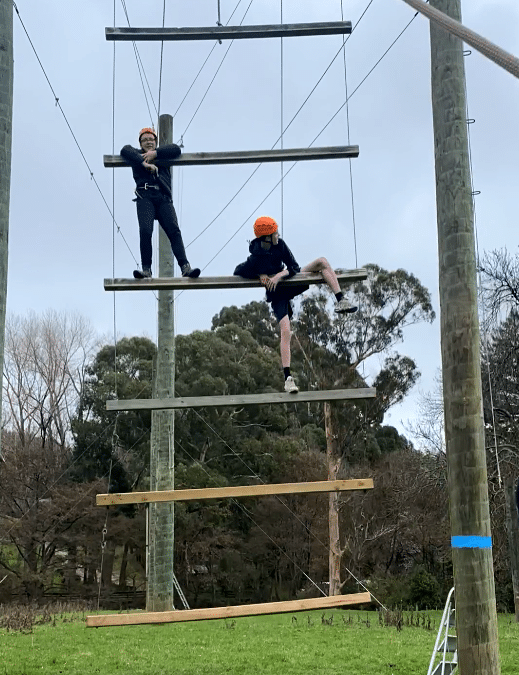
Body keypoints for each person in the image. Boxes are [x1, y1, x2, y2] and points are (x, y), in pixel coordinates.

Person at [234, 216, 357, 394]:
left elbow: (294, 266)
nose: (278, 234)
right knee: (285, 330)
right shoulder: (255, 258)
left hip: (289, 281)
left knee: (322, 262)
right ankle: (288, 379)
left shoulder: (280, 245)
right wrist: (260, 274)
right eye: (275, 232)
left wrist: (278, 276)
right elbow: (238, 271)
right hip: (277, 294)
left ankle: (341, 300)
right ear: (267, 237)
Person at [120, 128, 200, 279]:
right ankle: (146, 270)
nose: (148, 142)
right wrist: (144, 163)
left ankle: (185, 267)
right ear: (140, 143)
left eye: (151, 139)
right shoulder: (137, 155)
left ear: (155, 141)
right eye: (145, 140)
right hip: (145, 197)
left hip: (163, 197)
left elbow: (176, 149)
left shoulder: (163, 153)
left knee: (174, 231)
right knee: (145, 231)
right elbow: (125, 150)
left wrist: (155, 154)